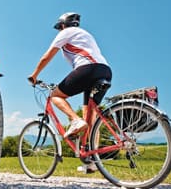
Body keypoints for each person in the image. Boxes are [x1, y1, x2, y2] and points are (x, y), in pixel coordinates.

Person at [28, 12, 112, 172]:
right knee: (91, 117)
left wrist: (34, 75)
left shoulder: (66, 33)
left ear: (62, 25)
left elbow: (47, 56)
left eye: (59, 27)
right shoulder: (86, 35)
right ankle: (91, 161)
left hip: (88, 68)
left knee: (56, 95)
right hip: (105, 70)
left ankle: (74, 120)